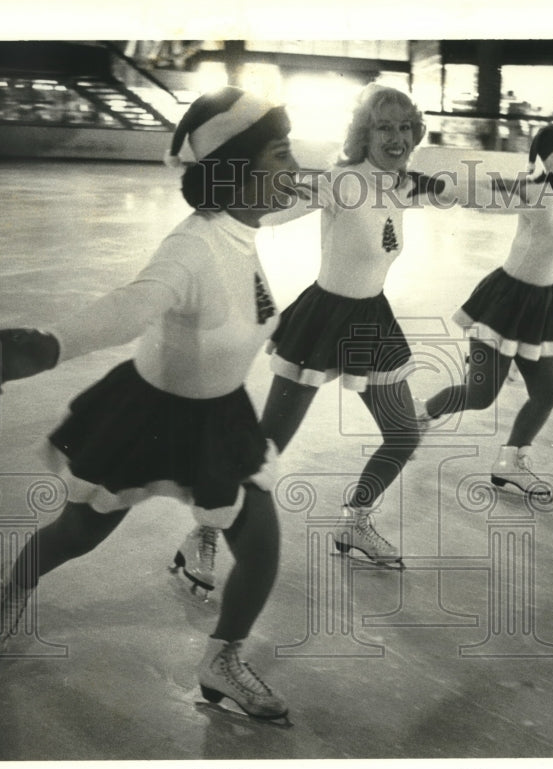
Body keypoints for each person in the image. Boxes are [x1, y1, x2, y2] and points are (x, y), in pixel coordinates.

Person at [0, 87, 297, 721]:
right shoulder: (194, 246)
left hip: (219, 416)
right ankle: (14, 586)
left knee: (260, 543)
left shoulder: (246, 222)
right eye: (281, 155)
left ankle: (221, 660)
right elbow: (132, 304)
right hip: (146, 417)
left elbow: (329, 193)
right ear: (238, 169)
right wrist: (50, 345)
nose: (294, 169)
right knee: (80, 533)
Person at [175, 84, 438, 585]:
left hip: (372, 322)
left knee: (403, 434)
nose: (397, 136)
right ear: (364, 133)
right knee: (267, 447)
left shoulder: (405, 184)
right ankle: (203, 535)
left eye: (405, 126)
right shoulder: (342, 182)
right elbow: (272, 205)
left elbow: (472, 192)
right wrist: (218, 205)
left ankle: (355, 522)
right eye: (384, 126)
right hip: (322, 321)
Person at [413, 119, 553, 495]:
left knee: (547, 392)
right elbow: (484, 191)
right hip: (506, 303)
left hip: (540, 305)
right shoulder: (538, 191)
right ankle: (418, 415)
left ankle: (510, 461)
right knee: (481, 395)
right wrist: (434, 184)